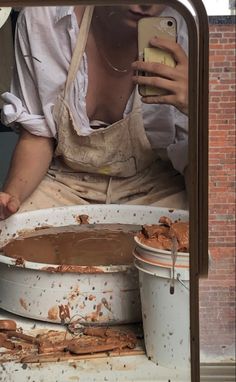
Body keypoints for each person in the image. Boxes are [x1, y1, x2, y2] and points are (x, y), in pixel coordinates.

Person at [0, 4, 189, 220]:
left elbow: (192, 155)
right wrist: (12, 197)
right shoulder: (43, 19)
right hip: (64, 184)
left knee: (196, 244)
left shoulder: (186, 30)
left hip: (156, 186)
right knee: (10, 236)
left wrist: (196, 107)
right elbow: (36, 136)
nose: (147, 3)